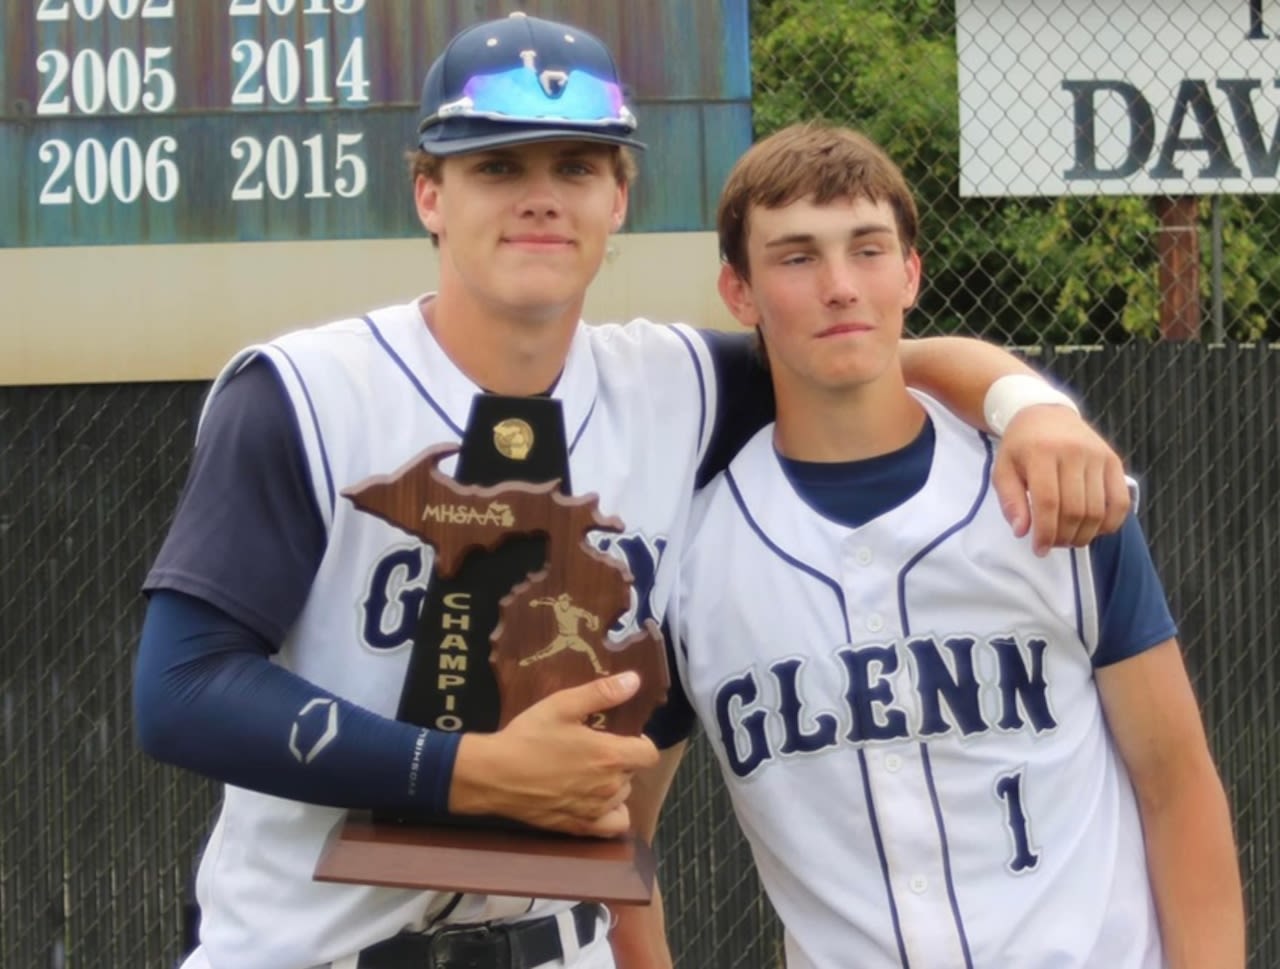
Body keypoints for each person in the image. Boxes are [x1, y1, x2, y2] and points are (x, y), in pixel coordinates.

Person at [132, 13, 1133, 969]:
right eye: (496, 165)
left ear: (618, 199)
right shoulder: (307, 393)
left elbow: (865, 352)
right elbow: (180, 692)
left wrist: (1021, 402)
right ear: (430, 195)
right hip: (316, 950)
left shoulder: (677, 387)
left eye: (574, 166)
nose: (540, 196)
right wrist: (462, 775)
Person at [628, 123, 1244, 969]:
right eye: (797, 257)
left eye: (869, 249)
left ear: (911, 272)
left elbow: (1176, 785)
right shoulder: (693, 554)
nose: (841, 286)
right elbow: (619, 835)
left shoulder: (1051, 486)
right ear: (739, 292)